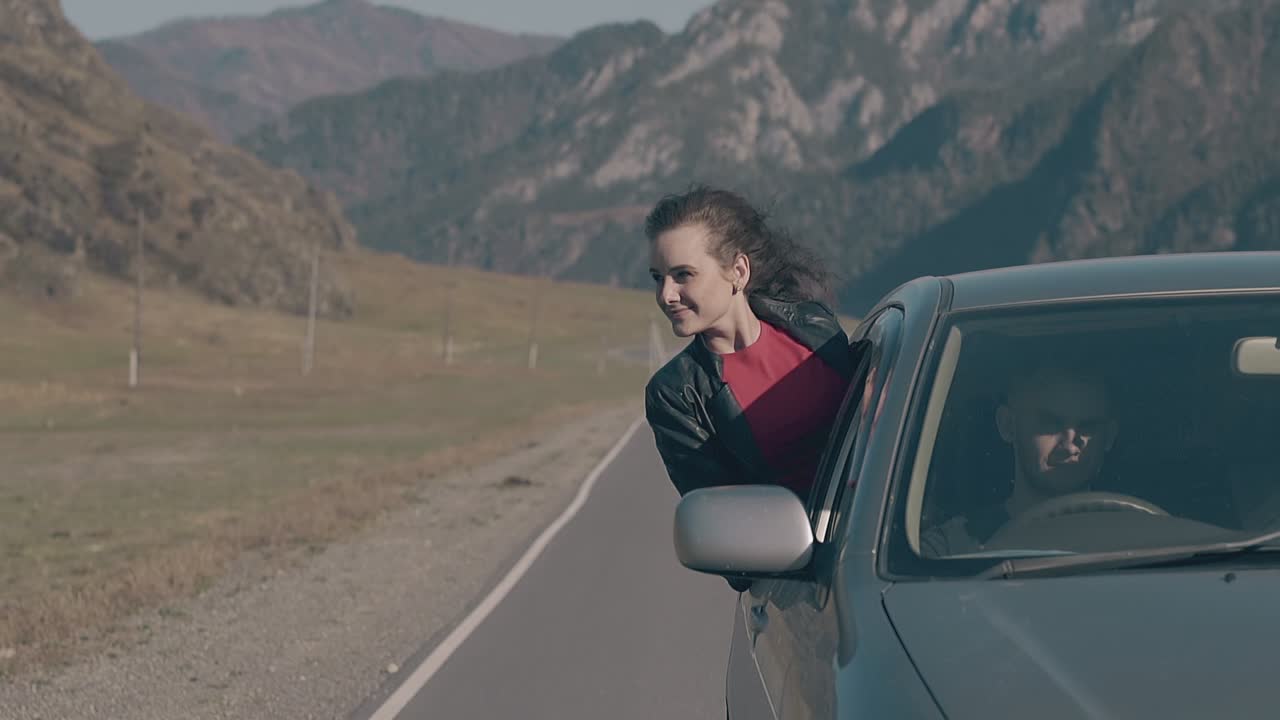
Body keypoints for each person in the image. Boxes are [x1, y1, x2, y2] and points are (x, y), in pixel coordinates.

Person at [643, 185, 861, 503]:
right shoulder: (675, 395)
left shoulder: (814, 324)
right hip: (801, 551)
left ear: (739, 271)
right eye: (657, 277)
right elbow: (720, 514)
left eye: (683, 275)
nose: (666, 294)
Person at [920, 362, 1121, 557]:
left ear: (1109, 437)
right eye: (1050, 424)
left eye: (1088, 427)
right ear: (1008, 425)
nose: (1070, 446)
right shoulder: (951, 550)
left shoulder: (1140, 543)